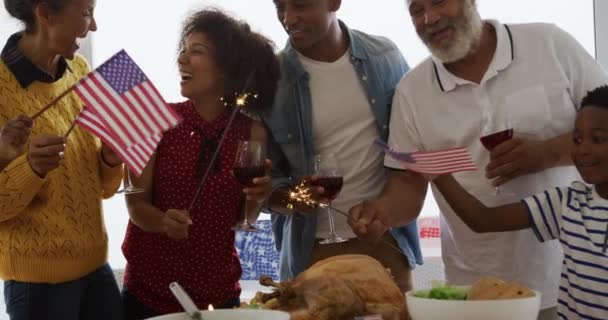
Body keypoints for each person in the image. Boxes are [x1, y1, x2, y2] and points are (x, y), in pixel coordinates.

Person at [349, 0, 608, 318]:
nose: (430, 18)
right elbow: (409, 181)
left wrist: (545, 153)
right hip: (471, 292)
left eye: (439, 2)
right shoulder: (411, 91)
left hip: (570, 284)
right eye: (416, 10)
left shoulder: (550, 44)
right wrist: (382, 212)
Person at [121, 9, 280, 319]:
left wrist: (257, 199)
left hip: (219, 297)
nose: (182, 59)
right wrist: (163, 221)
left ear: (225, 68)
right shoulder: (155, 119)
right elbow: (136, 205)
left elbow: (241, 217)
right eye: (183, 50)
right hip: (149, 295)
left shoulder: (253, 132)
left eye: (197, 51)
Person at [263, 0, 422, 293]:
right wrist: (293, 198)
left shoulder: (384, 56)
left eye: (300, 5)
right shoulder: (268, 80)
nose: (288, 18)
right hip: (312, 250)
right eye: (279, 6)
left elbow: (415, 146)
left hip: (386, 241)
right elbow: (263, 187)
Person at [429, 85, 608, 319]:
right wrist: (437, 174)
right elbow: (482, 220)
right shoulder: (567, 203)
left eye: (598, 139)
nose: (582, 149)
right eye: (576, 139)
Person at [0, 0, 125, 319]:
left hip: (96, 269)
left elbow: (101, 190)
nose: (93, 25)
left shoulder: (80, 71)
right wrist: (30, 168)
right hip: (38, 287)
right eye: (85, 14)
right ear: (44, 14)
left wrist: (111, 159)